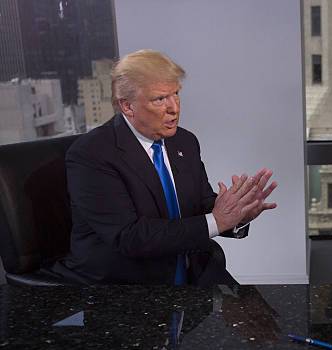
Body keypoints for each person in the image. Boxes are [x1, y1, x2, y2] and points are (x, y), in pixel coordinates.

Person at [52, 50, 277, 285]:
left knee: (268, 318)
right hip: (127, 285)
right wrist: (218, 221)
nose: (174, 108)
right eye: (160, 99)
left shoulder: (184, 141)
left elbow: (199, 205)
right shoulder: (92, 154)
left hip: (192, 271)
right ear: (127, 106)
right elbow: (130, 237)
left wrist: (239, 214)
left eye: (176, 94)